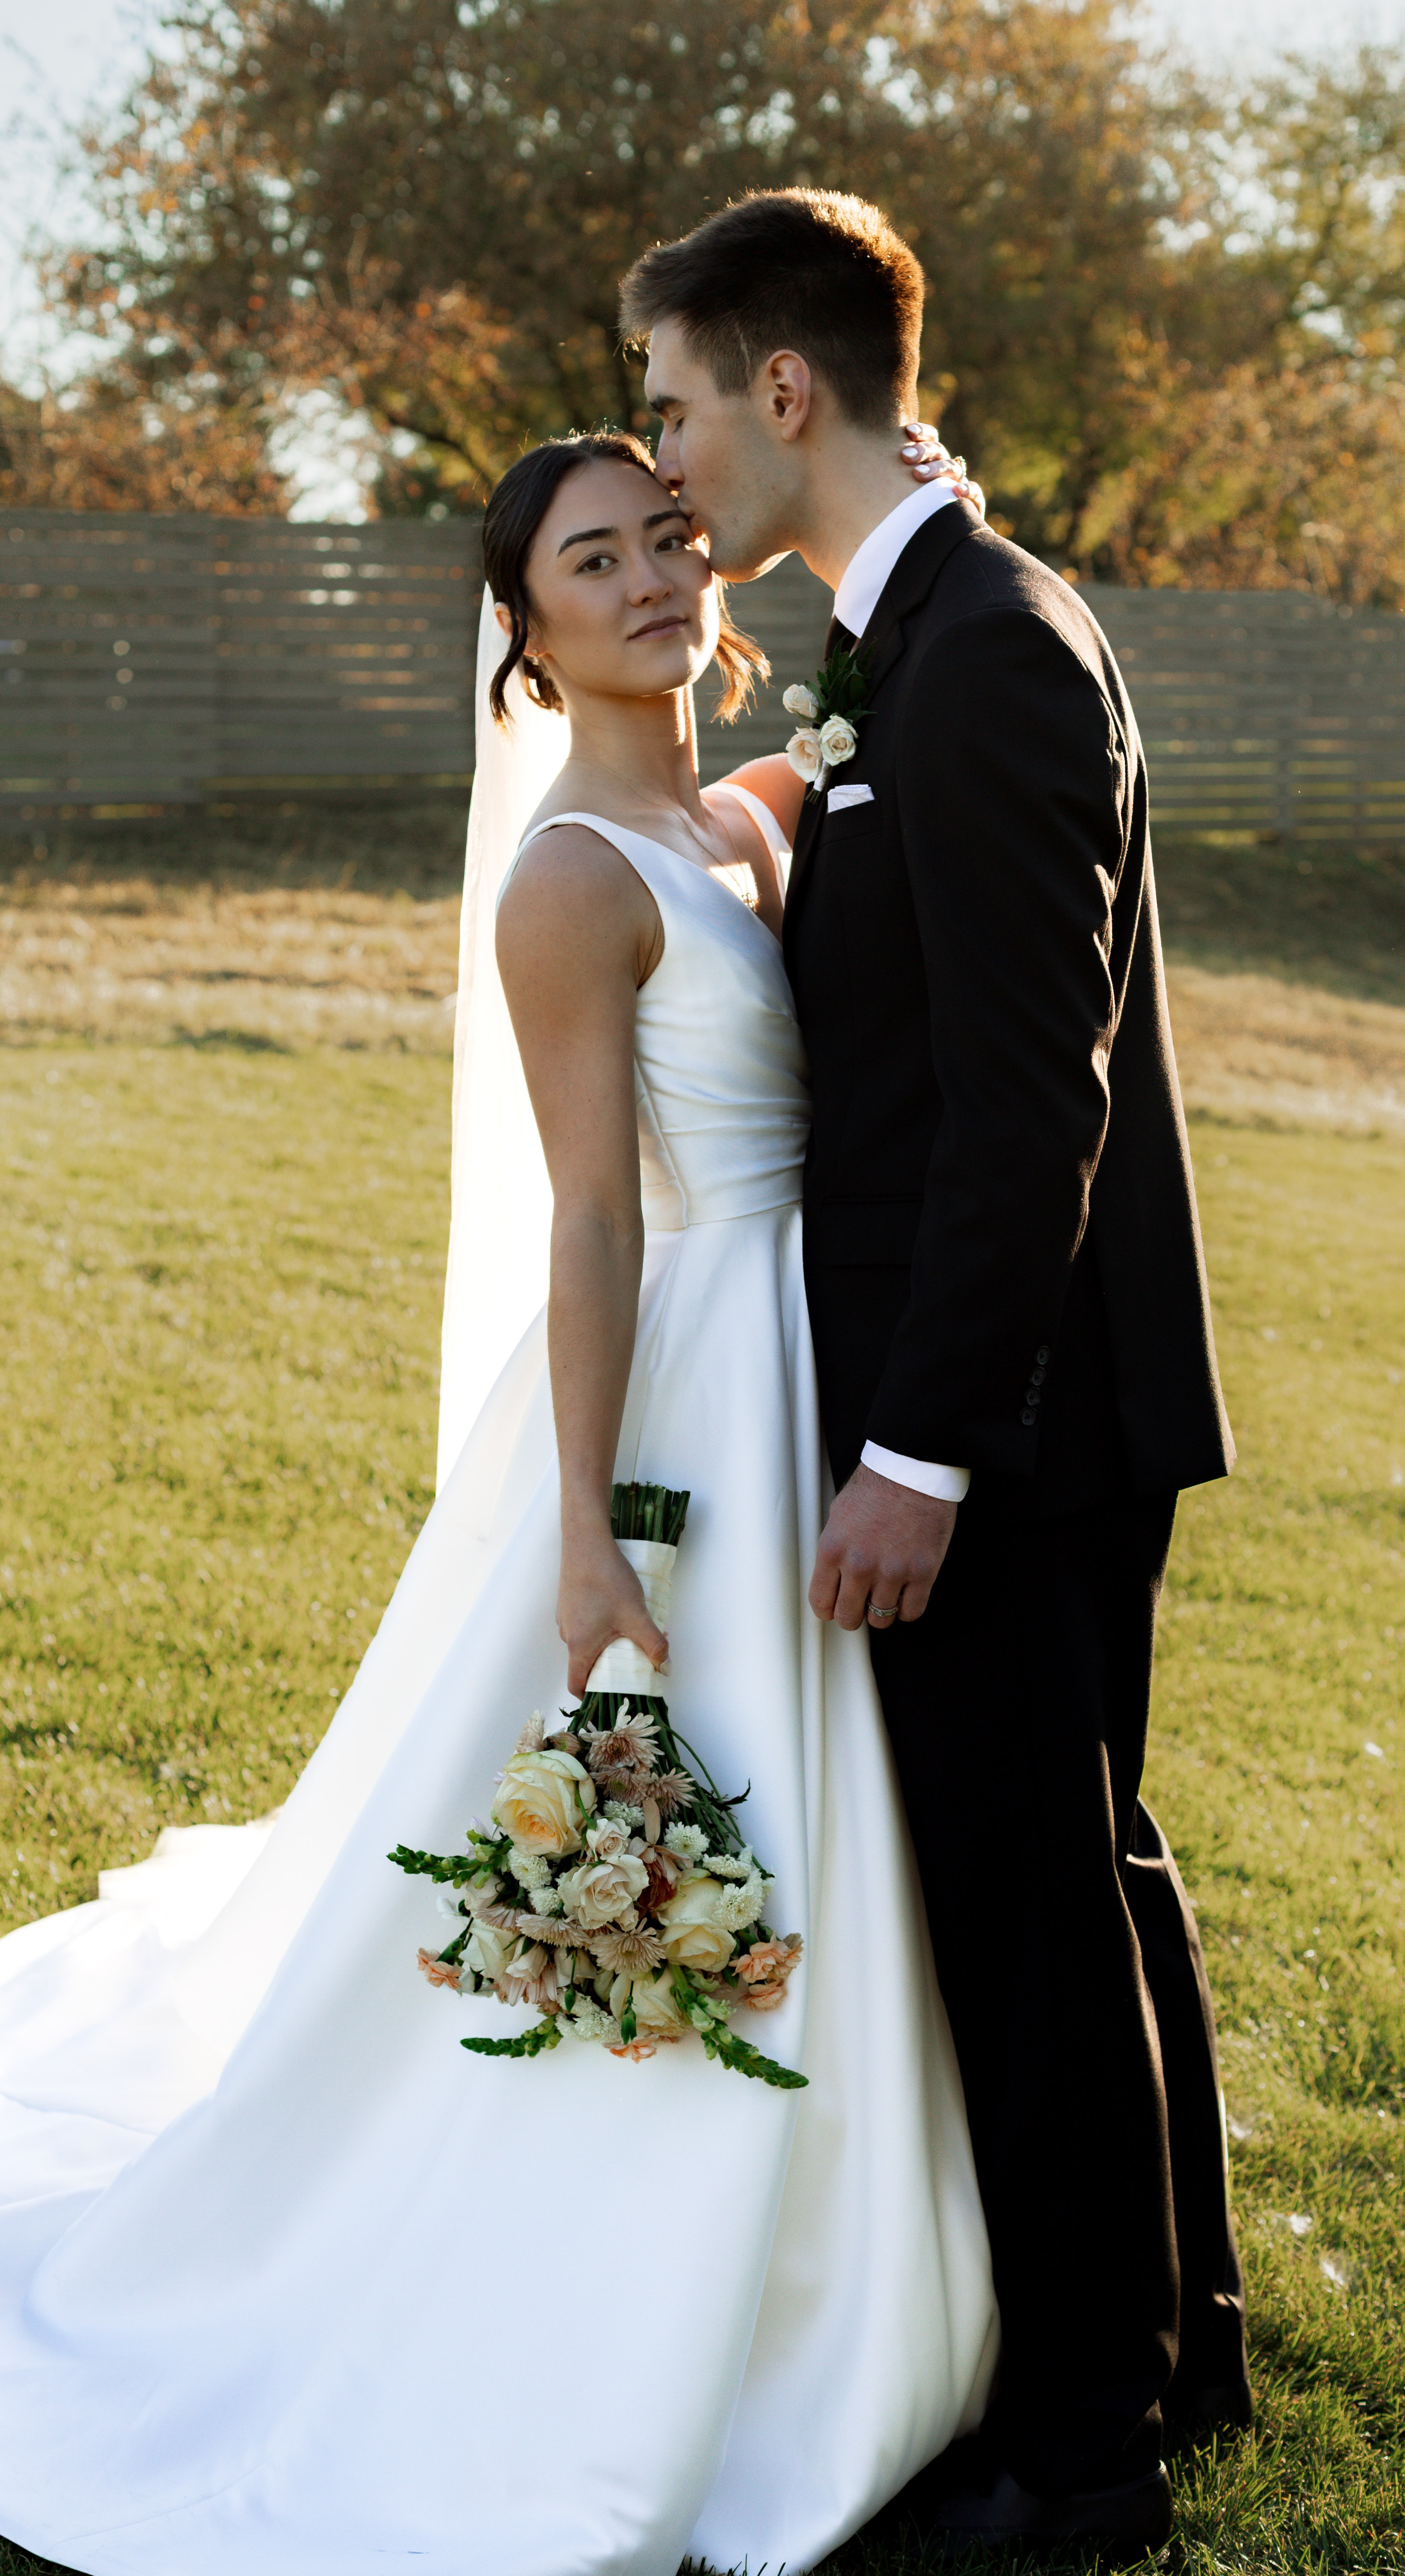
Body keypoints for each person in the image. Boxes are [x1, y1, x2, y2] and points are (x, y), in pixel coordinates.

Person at [0, 424, 1001, 2575]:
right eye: (592, 560)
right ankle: (612, 2293)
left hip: (811, 1358)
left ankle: (831, 2274)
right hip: (688, 1401)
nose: (650, 576)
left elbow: (885, 716)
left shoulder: (745, 818)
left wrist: (937, 501)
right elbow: (588, 1228)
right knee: (675, 1820)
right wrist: (586, 1531)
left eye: (666, 538)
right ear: (527, 633)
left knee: (815, 1826)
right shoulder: (573, 876)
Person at [622, 186, 1250, 2550]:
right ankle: (1173, 2363)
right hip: (1052, 1407)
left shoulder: (983, 654)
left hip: (1009, 1423)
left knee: (1028, 1918)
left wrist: (914, 1460)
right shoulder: (939, 633)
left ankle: (1079, 2460)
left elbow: (1030, 1108)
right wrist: (794, 787)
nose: (668, 465)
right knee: (1090, 1873)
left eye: (680, 405)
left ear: (786, 391)